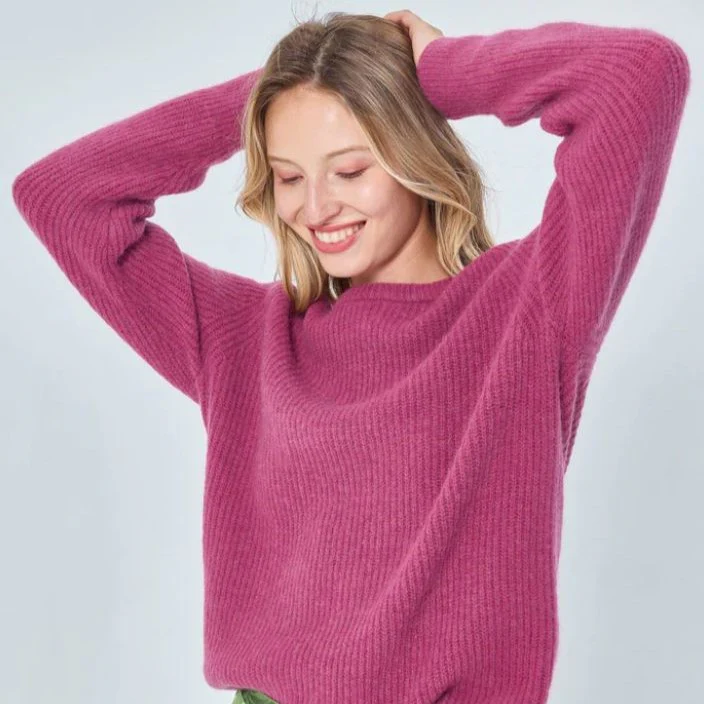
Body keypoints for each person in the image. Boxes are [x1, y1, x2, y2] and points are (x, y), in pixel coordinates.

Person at [11, 9, 690, 704]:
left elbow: (640, 74)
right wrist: (276, 94)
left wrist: (443, 71)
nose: (316, 208)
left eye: (350, 169)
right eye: (288, 176)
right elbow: (61, 197)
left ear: (412, 152)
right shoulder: (243, 339)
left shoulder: (528, 309)